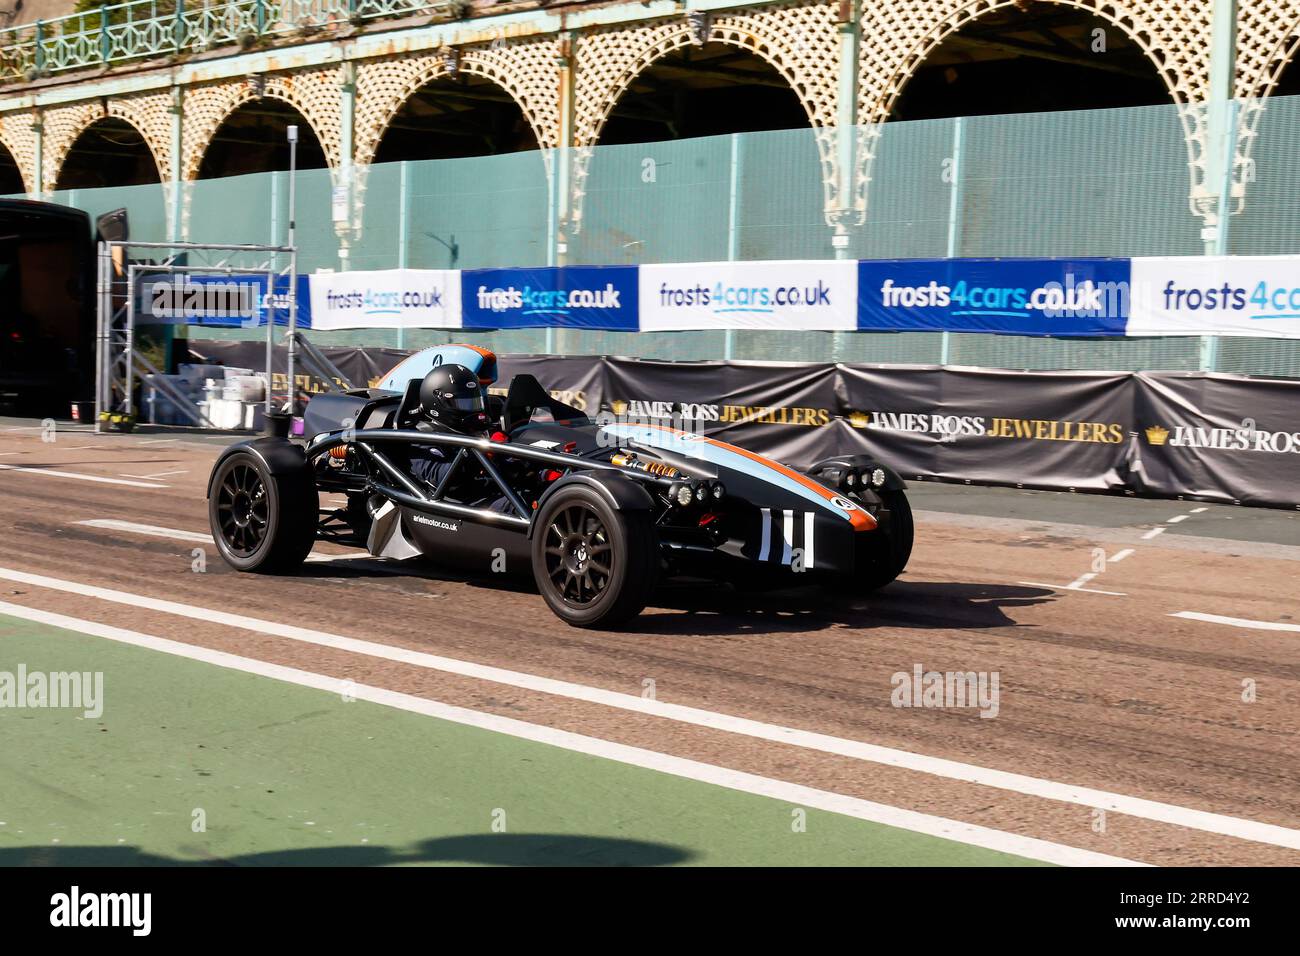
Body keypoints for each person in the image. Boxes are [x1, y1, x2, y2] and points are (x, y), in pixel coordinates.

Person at [408, 363, 512, 513]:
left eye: (475, 403)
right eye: (464, 404)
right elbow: (440, 476)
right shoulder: (421, 440)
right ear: (437, 403)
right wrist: (482, 452)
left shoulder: (475, 432)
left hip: (492, 492)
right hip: (461, 507)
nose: (472, 410)